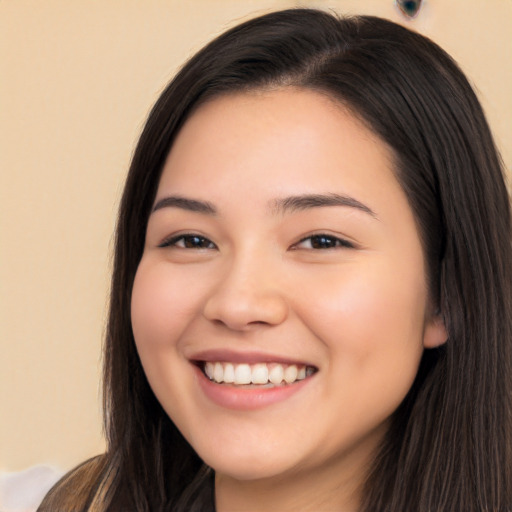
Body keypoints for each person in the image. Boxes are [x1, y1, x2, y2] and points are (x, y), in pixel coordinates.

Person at [38, 8, 511, 512]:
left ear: (445, 291)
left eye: (321, 241)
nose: (237, 304)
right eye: (192, 240)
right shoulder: (77, 501)